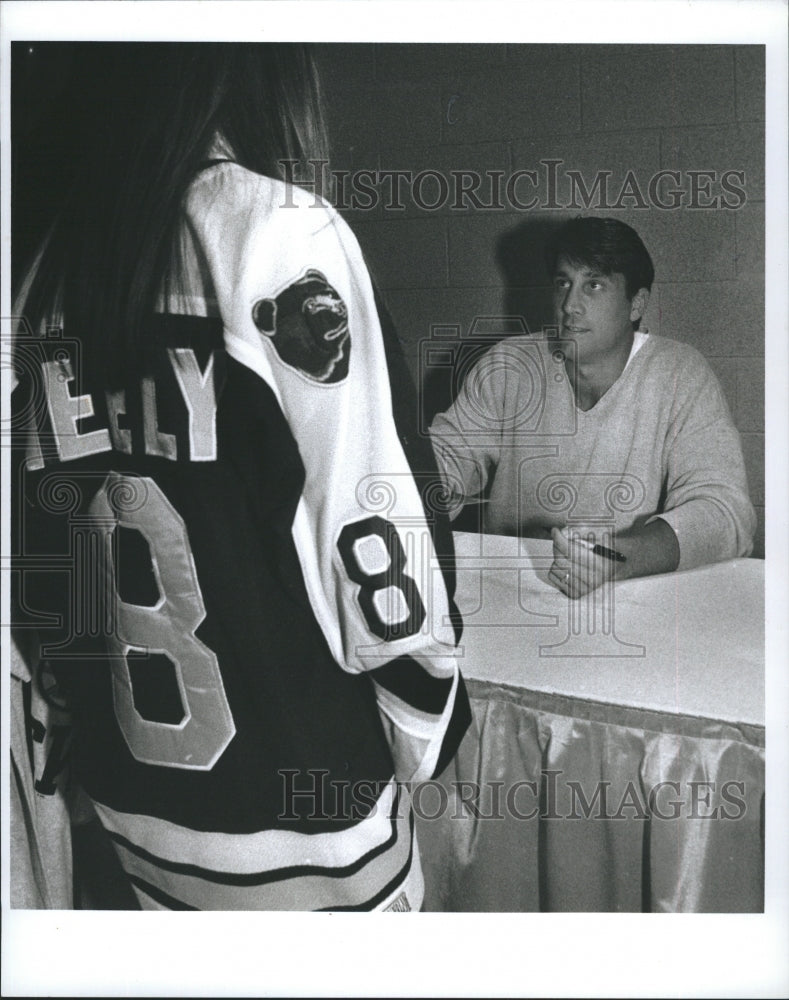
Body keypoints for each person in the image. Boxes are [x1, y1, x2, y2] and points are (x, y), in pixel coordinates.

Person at [10, 43, 470, 911]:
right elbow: (375, 532)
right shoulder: (279, 232)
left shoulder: (38, 265)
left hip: (134, 811)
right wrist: (423, 729)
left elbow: (39, 560)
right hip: (306, 813)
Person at [429, 216, 756, 599]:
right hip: (511, 588)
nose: (570, 305)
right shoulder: (509, 365)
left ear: (636, 303)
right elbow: (445, 458)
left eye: (594, 285)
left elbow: (725, 512)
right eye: (563, 283)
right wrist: (432, 484)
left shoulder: (679, 373)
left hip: (631, 593)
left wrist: (619, 557)